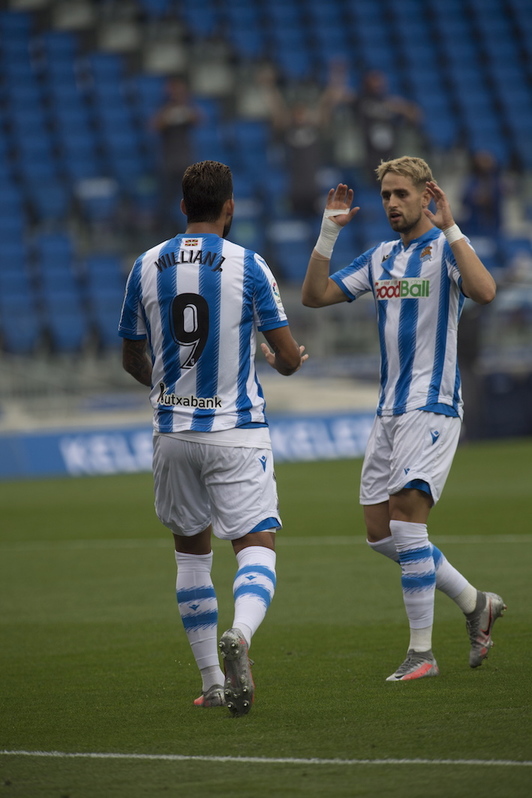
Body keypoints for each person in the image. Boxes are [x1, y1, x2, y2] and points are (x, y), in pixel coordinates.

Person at [302, 155, 506, 681]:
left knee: (407, 522)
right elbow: (316, 295)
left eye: (402, 194)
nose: (392, 203)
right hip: (389, 408)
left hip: (433, 402)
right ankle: (474, 602)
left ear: (426, 196)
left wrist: (452, 225)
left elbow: (485, 292)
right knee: (379, 532)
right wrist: (328, 232)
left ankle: (422, 654)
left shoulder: (446, 250)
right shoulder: (380, 257)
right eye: (387, 195)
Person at [119, 160, 307, 715]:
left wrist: (165, 385)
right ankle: (241, 636)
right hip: (236, 431)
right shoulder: (249, 266)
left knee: (191, 558)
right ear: (230, 208)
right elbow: (290, 357)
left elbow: (131, 354)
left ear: (182, 207)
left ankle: (211, 680)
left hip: (172, 431)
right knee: (257, 547)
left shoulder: (146, 265)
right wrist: (282, 358)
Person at [151, 76, 202, 236]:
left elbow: (198, 119)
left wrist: (183, 107)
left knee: (191, 199)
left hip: (186, 162)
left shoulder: (187, 107)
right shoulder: (163, 107)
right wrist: (171, 114)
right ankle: (163, 231)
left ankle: (190, 230)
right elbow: (155, 126)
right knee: (166, 199)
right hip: (169, 163)